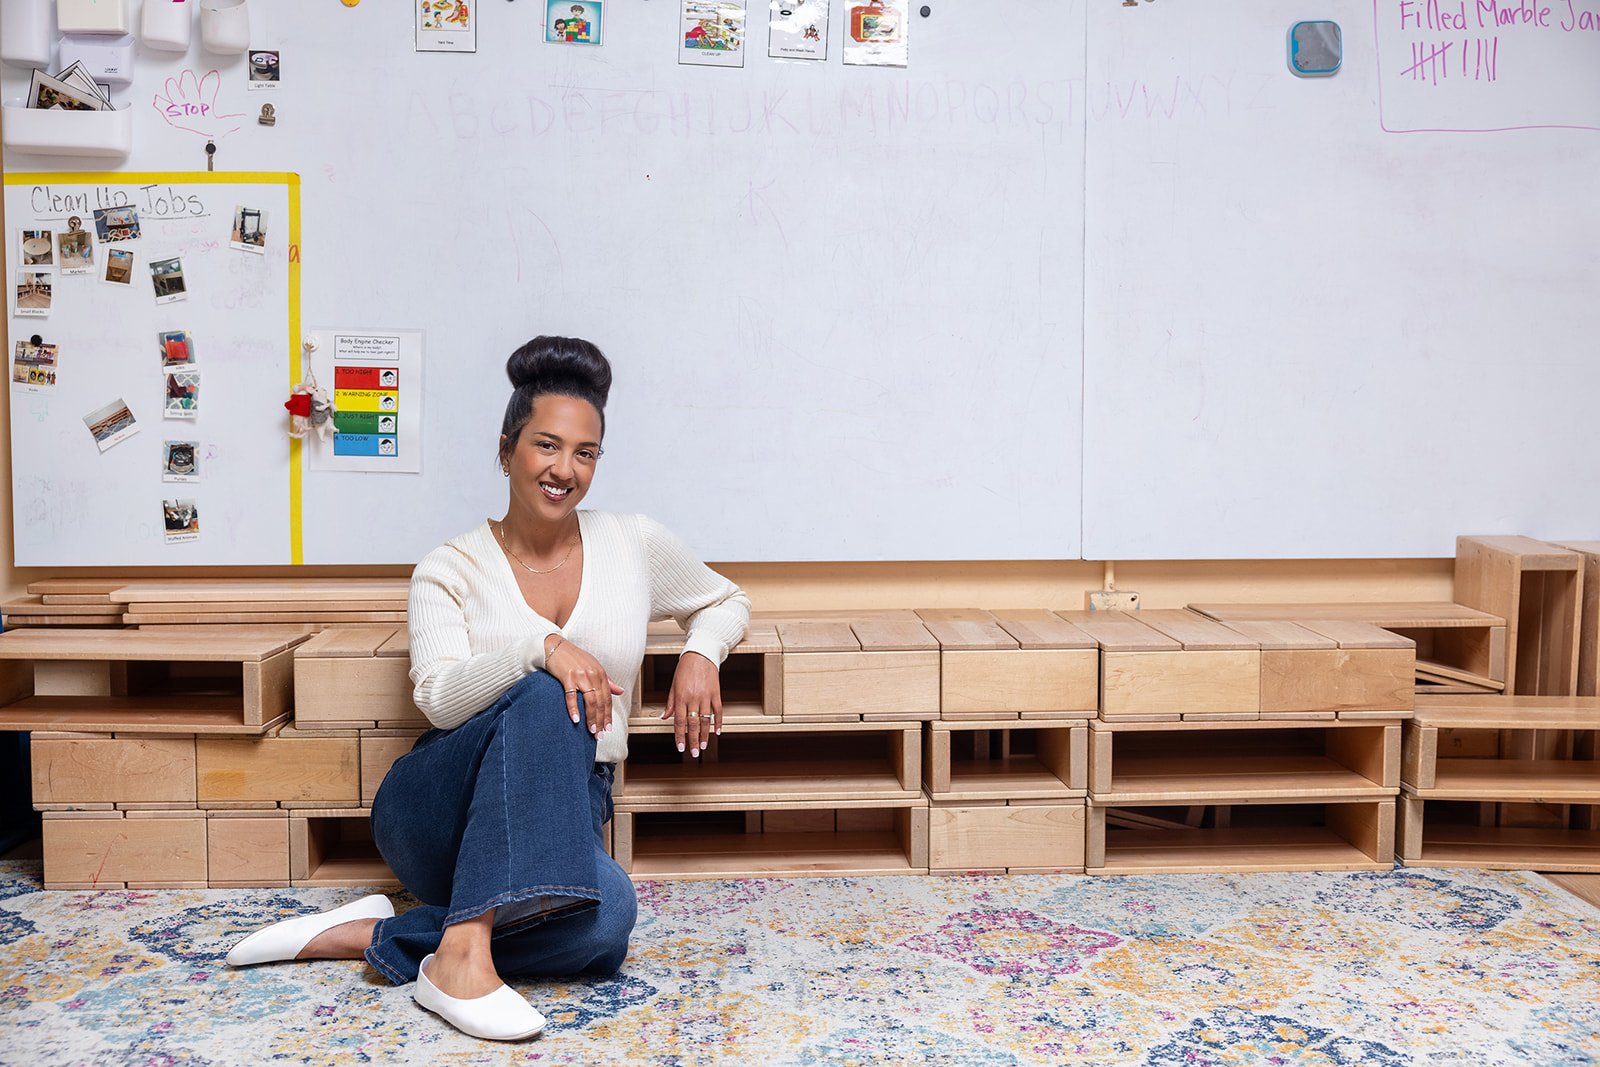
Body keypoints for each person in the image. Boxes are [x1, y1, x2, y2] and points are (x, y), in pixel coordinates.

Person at [225, 336, 750, 1042]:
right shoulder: (448, 568)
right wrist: (543, 648)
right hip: (440, 804)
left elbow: (725, 599)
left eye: (585, 452)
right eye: (546, 445)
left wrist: (699, 652)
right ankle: (463, 955)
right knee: (543, 691)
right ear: (506, 450)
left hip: (568, 800)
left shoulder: (633, 541)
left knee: (611, 918)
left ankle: (387, 934)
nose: (565, 469)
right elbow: (439, 698)